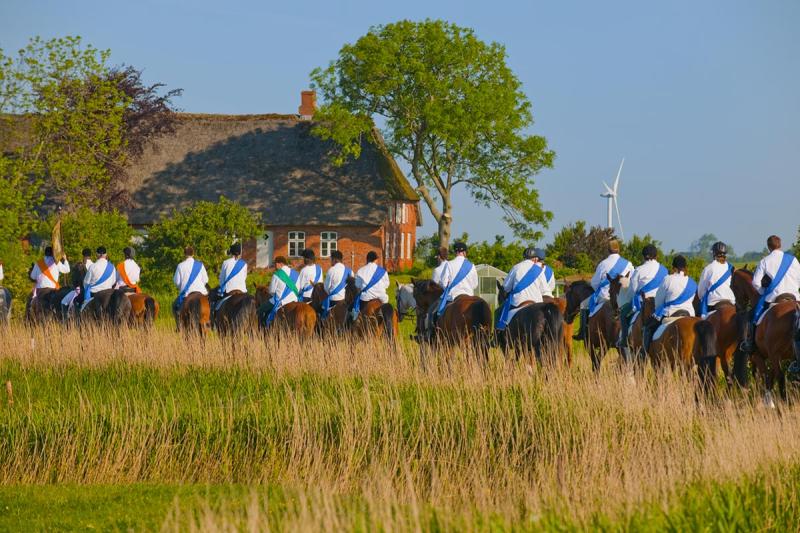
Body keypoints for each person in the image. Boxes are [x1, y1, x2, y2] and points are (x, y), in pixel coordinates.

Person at [741, 235, 800, 374]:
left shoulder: (765, 261)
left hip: (775, 299)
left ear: (769, 247)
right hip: (795, 299)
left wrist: (764, 292)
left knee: (752, 316)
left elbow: (755, 283)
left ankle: (750, 343)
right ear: (780, 245)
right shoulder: (793, 260)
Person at [574, 240, 633, 341]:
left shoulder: (603, 264)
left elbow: (594, 284)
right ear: (619, 249)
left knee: (583, 304)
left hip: (604, 297)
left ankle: (583, 332)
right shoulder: (628, 264)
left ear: (608, 250)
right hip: (623, 299)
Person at [618, 244, 667, 362]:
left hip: (643, 303)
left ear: (644, 257)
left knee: (624, 313)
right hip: (660, 305)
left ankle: (624, 339)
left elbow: (633, 290)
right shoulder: (664, 270)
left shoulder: (639, 270)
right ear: (657, 256)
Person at [642, 255, 697, 351]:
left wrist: (659, 308)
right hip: (689, 315)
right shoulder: (692, 282)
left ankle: (644, 354)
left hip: (670, 314)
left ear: (673, 268)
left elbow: (659, 301)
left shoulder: (668, 279)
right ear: (685, 268)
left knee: (648, 328)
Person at [496, 247, 544, 331]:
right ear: (535, 258)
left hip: (518, 302)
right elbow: (543, 289)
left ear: (524, 257)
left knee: (499, 312)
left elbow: (506, 287)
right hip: (537, 303)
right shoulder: (539, 270)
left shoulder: (516, 267)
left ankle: (497, 334)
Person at [697, 241, 736, 317]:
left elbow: (700, 292)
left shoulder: (708, 268)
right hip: (731, 303)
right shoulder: (732, 268)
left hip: (714, 304)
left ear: (714, 253)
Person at [172, 247, 209, 321]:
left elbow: (176, 282)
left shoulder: (180, 265)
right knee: (211, 305)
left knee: (175, 305)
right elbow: (206, 280)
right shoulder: (200, 265)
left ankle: (179, 326)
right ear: (193, 254)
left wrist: (181, 287)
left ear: (184, 254)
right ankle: (210, 323)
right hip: (201, 292)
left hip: (186, 294)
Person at [351, 251, 389, 321]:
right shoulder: (383, 271)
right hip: (382, 299)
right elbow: (387, 285)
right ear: (376, 260)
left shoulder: (361, 271)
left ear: (367, 260)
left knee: (355, 316)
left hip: (366, 299)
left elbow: (358, 286)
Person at [262, 256, 299, 326]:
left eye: (275, 264)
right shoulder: (296, 273)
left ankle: (264, 329)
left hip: (280, 301)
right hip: (294, 300)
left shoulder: (277, 274)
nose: (274, 266)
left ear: (281, 264)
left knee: (260, 310)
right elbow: (298, 289)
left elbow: (271, 291)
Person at [321, 250, 353, 318]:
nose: (330, 262)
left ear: (334, 259)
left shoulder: (331, 270)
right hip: (346, 302)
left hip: (334, 301)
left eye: (331, 259)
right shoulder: (350, 271)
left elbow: (326, 287)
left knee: (322, 314)